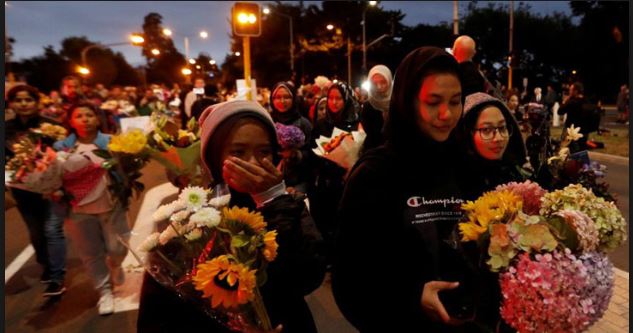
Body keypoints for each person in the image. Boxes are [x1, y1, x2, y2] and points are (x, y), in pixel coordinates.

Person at [137, 100, 326, 332]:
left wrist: (274, 202)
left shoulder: (287, 204)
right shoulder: (191, 220)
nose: (253, 162)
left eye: (264, 152)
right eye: (238, 152)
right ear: (215, 157)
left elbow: (309, 276)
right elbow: (159, 314)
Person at [332, 47, 475, 332]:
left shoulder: (464, 162)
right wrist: (410, 296)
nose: (446, 114)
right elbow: (349, 279)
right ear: (407, 101)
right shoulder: (375, 173)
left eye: (456, 101)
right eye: (433, 102)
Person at [53, 103, 130, 315]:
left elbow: (127, 170)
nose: (85, 119)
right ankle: (104, 291)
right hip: (77, 210)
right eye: (79, 115)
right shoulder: (61, 148)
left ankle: (115, 264)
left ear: (98, 119)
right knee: (90, 253)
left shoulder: (112, 142)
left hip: (110, 205)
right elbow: (51, 177)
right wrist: (53, 189)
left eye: (90, 115)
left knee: (118, 248)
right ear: (71, 121)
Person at [5, 85, 68, 297]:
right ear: (11, 103)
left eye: (28, 100)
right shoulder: (6, 129)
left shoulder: (51, 126)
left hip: (51, 188)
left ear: (37, 102)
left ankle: (56, 274)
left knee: (52, 230)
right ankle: (46, 264)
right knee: (35, 232)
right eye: (18, 100)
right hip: (22, 190)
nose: (23, 104)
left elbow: (63, 154)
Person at [309, 82, 360, 264]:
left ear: (346, 100)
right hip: (326, 182)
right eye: (331, 98)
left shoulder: (355, 124)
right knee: (326, 220)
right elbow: (313, 152)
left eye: (338, 98)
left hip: (349, 181)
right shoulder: (322, 125)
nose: (334, 102)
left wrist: (351, 167)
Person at [456, 92, 528, 200]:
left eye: (502, 127)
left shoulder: (515, 174)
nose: (498, 138)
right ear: (468, 133)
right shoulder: (456, 184)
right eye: (486, 130)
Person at [269, 81, 314, 194]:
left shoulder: (304, 124)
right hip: (271, 183)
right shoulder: (268, 122)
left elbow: (312, 154)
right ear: (271, 100)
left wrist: (295, 154)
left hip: (299, 183)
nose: (282, 101)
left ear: (294, 99)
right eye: (277, 97)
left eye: (286, 97)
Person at [360, 64, 393, 154]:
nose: (379, 86)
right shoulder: (368, 105)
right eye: (375, 83)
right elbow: (369, 135)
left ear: (389, 80)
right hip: (375, 153)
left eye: (383, 82)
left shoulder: (398, 100)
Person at [558, 82, 591, 151]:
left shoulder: (571, 102)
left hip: (571, 131)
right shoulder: (586, 100)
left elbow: (560, 111)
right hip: (584, 130)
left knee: (569, 150)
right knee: (581, 150)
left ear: (575, 91)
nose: (569, 91)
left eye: (571, 90)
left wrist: (564, 101)